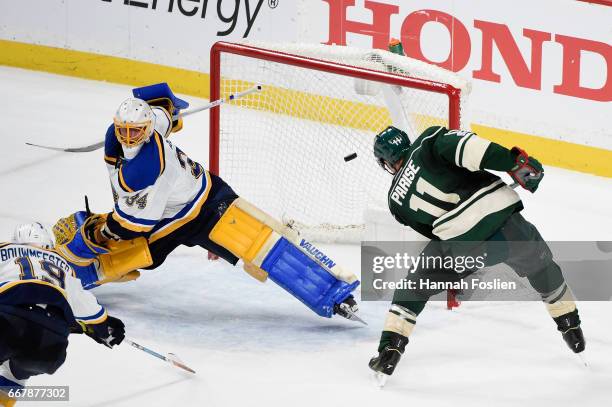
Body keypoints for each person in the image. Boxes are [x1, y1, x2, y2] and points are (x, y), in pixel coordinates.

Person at [53, 83, 360, 321]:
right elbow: (162, 107)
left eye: (136, 131)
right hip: (189, 199)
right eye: (125, 130)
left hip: (205, 207)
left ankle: (331, 294)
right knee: (136, 256)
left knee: (259, 246)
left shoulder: (146, 173)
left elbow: (133, 225)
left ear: (145, 131)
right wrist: (171, 111)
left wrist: (98, 232)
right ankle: (60, 276)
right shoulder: (148, 126)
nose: (129, 137)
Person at [368, 124, 585, 382]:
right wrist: (515, 163)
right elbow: (473, 149)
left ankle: (390, 349)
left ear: (387, 162)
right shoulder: (428, 140)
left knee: (414, 287)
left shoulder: (395, 201)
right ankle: (570, 326)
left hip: (462, 246)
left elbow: (431, 232)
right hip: (507, 228)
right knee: (542, 267)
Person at [0, 223, 124, 406]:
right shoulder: (63, 266)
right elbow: (85, 306)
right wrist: (104, 327)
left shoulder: (4, 251)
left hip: (10, 323)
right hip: (51, 345)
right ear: (48, 244)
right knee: (15, 376)